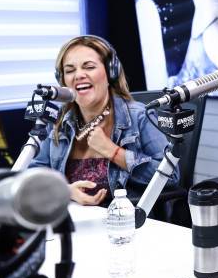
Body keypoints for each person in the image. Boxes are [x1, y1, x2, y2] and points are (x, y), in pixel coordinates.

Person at [30, 35, 172, 206]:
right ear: (62, 80)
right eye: (69, 70)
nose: (78, 75)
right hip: (73, 222)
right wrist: (65, 191)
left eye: (89, 67)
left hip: (126, 222)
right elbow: (33, 173)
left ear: (110, 73)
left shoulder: (139, 116)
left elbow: (170, 177)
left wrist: (113, 151)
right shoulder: (58, 121)